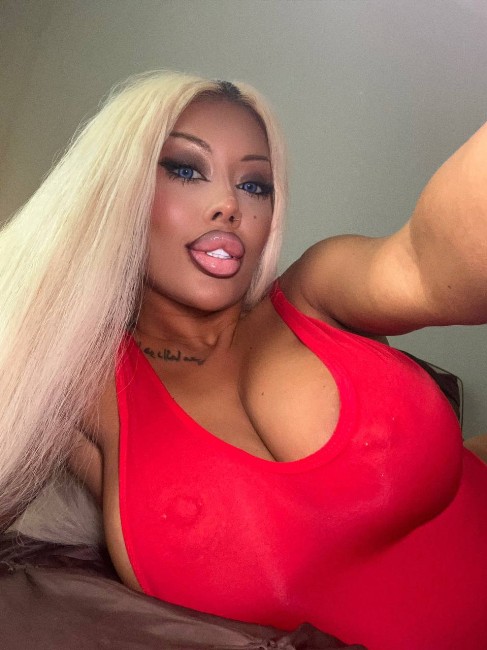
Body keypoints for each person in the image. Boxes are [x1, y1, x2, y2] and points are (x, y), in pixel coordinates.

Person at [1, 70, 487, 650]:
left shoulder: (316, 295)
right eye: (186, 170)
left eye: (255, 185)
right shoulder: (84, 385)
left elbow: (429, 263)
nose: (229, 205)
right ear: (114, 190)